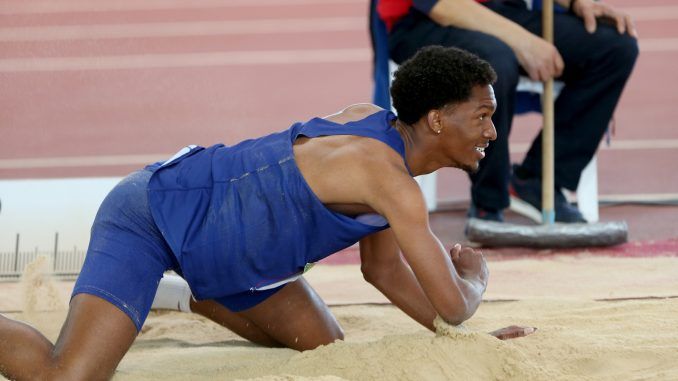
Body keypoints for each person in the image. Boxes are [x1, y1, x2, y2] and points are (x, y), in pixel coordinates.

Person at [0, 46, 534, 381]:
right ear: (437, 120)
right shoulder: (389, 180)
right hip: (155, 216)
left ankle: (184, 295)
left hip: (234, 260)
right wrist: (474, 279)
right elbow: (455, 302)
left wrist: (465, 342)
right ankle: (151, 278)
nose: (492, 131)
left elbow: (384, 270)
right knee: (67, 376)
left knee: (322, 342)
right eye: (483, 116)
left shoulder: (376, 127)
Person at [376, 0, 638, 223]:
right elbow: (441, 5)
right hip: (425, 21)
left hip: (499, 11)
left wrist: (575, 2)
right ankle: (487, 203)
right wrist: (523, 42)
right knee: (494, 62)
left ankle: (536, 180)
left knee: (615, 48)